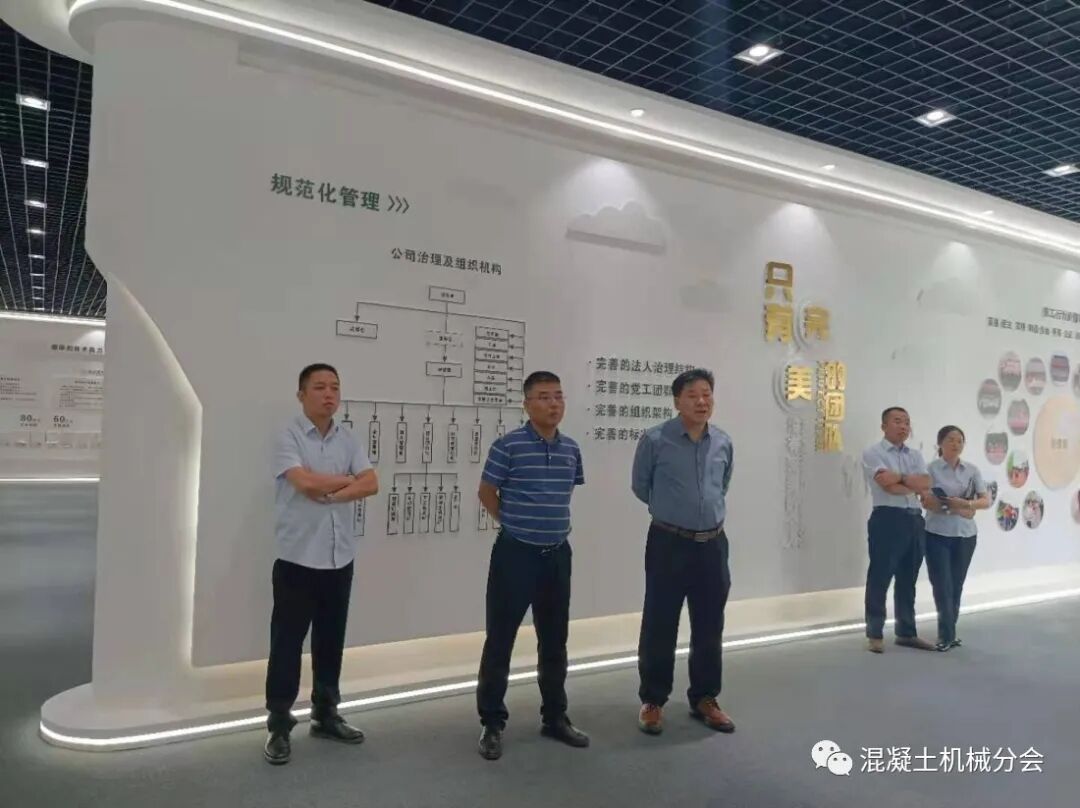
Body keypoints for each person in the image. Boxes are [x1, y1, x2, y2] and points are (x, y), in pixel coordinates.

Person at [263, 363, 379, 765]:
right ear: (301, 395)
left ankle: (326, 714)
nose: (329, 394)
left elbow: (371, 482)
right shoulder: (288, 435)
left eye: (334, 387)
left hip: (339, 556)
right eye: (319, 387)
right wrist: (346, 481)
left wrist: (334, 490)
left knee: (331, 641)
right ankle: (279, 725)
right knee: (286, 645)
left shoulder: (348, 437)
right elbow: (303, 483)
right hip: (297, 559)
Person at [475, 371, 589, 761]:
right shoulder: (508, 446)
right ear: (527, 404)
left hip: (557, 555)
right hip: (515, 555)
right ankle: (492, 722)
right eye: (543, 397)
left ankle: (555, 717)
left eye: (558, 396)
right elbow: (486, 492)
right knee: (500, 640)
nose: (553, 404)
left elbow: (566, 491)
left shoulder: (571, 449)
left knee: (555, 641)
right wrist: (513, 524)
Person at [631, 368, 735, 736]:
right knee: (660, 622)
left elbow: (722, 485)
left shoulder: (722, 441)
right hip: (668, 542)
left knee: (709, 624)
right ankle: (653, 699)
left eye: (707, 394)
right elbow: (640, 486)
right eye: (693, 395)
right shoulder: (655, 440)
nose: (701, 401)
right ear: (677, 401)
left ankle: (705, 697)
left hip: (713, 544)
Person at [862, 407, 934, 654]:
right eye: (897, 421)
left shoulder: (915, 454)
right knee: (880, 577)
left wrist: (900, 478)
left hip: (915, 520)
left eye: (906, 422)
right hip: (887, 519)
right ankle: (874, 634)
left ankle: (906, 632)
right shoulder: (874, 452)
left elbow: (926, 482)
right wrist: (911, 483)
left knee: (908, 579)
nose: (903, 426)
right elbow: (886, 484)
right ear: (884, 426)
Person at [920, 426, 990, 652]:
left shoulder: (971, 470)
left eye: (960, 440)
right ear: (940, 443)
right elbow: (927, 501)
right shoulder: (930, 469)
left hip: (966, 535)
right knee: (942, 585)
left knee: (956, 585)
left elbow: (985, 500)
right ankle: (946, 634)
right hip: (936, 534)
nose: (955, 444)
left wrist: (967, 504)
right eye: (950, 439)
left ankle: (949, 632)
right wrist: (958, 508)